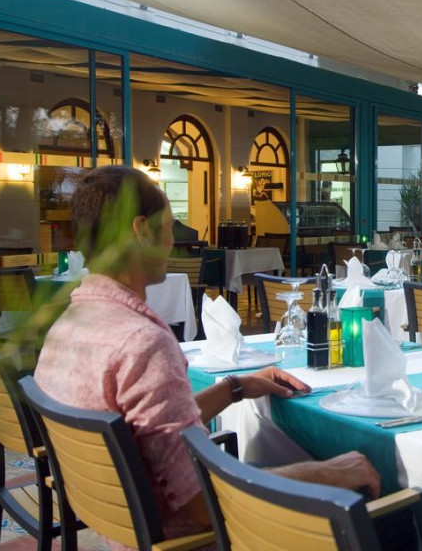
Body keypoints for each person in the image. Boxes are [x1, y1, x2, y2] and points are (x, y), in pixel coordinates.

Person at [34, 166, 380, 549]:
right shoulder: (143, 344)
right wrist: (328, 473)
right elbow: (202, 502)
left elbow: (145, 436)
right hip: (199, 539)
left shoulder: (65, 327)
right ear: (142, 230)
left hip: (120, 530)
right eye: (169, 226)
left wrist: (234, 388)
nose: (173, 241)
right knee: (382, 510)